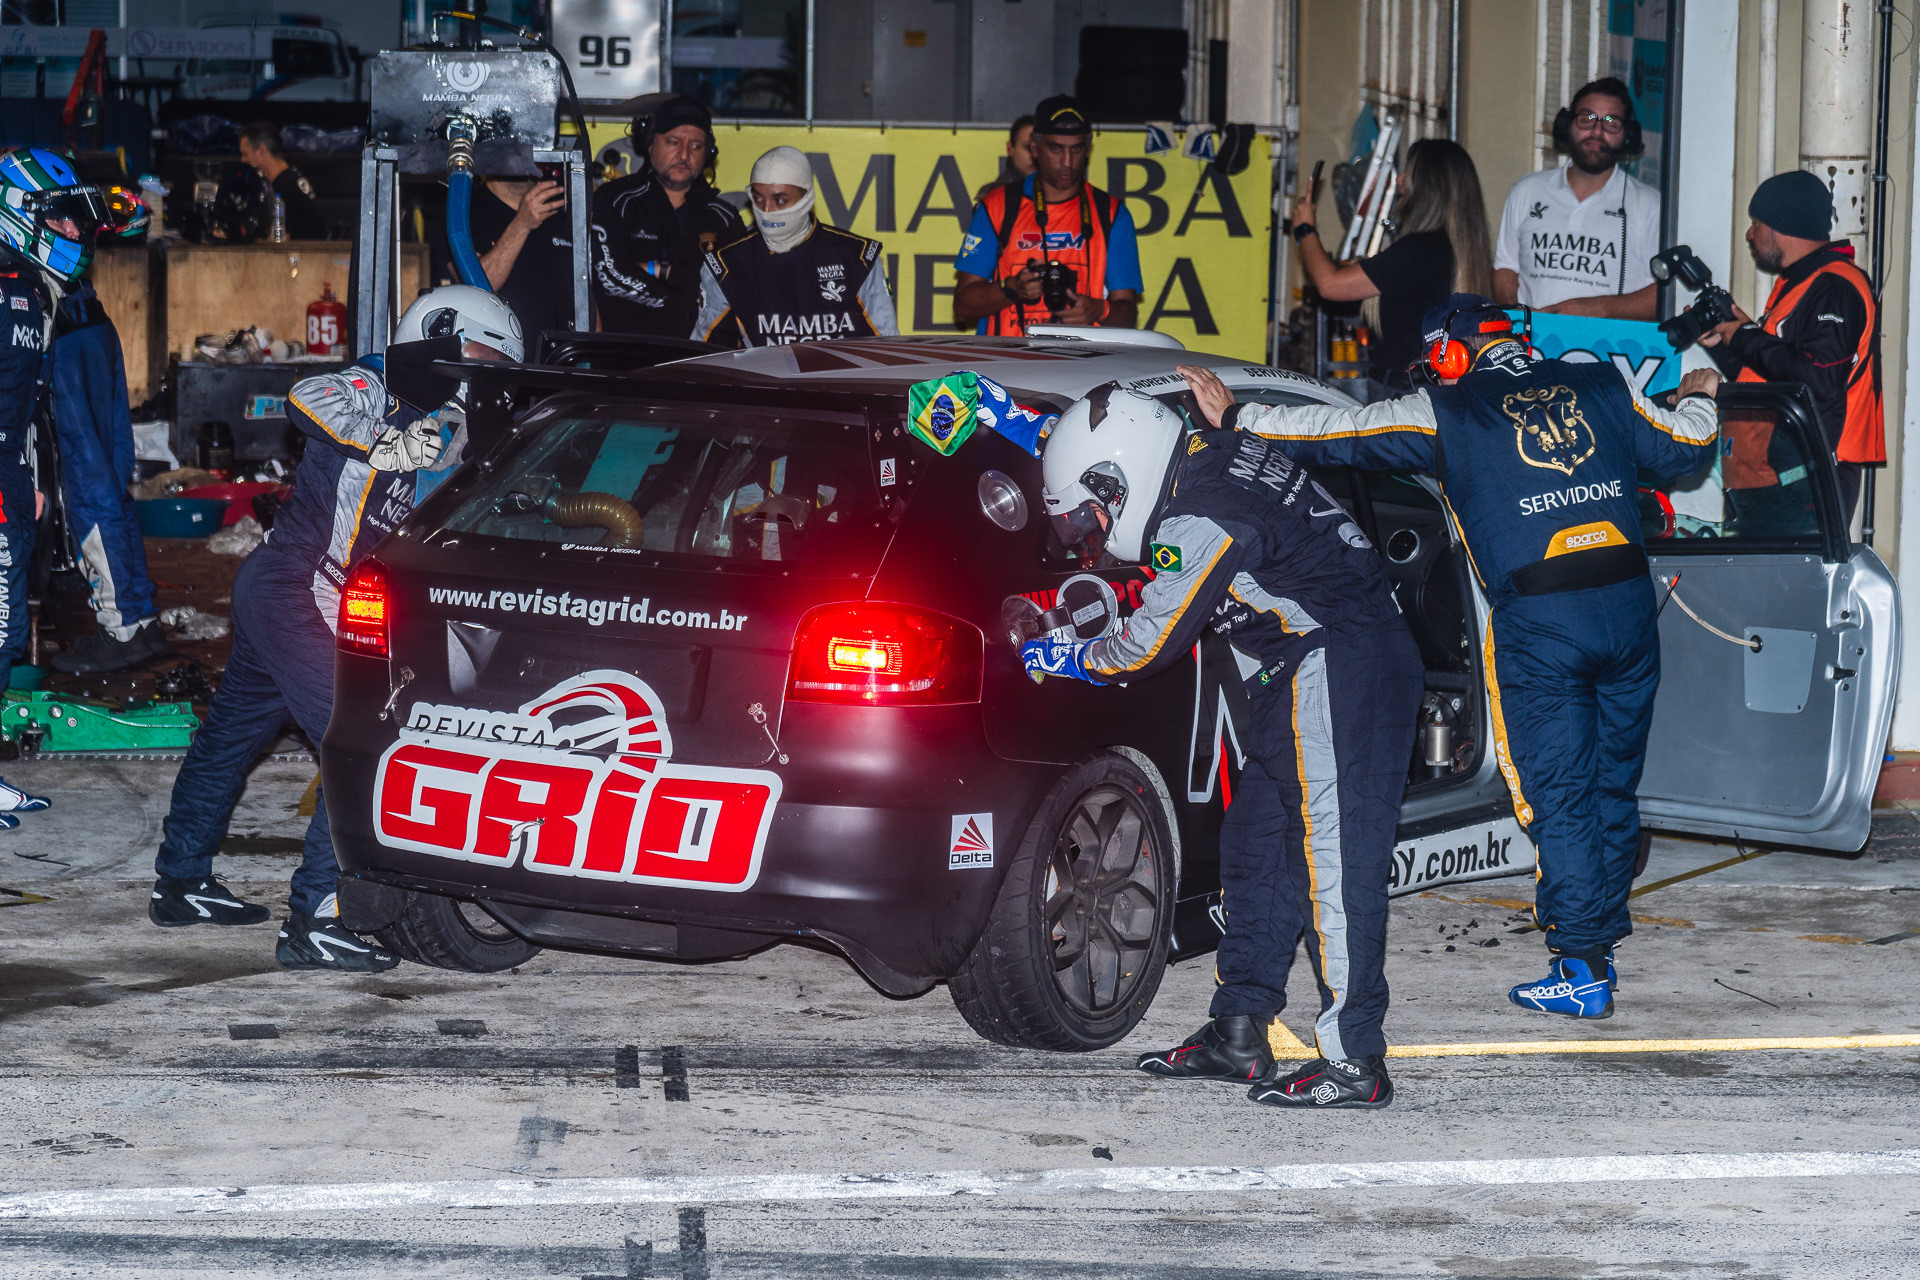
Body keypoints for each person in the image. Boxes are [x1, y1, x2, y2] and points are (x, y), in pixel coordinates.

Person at [1179, 295, 1722, 1020]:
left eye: (1435, 361)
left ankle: (1583, 967)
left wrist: (1238, 418)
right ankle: (1600, 946)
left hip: (1543, 621)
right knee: (1610, 785)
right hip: (1627, 610)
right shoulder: (1603, 385)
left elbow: (1339, 431)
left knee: (1556, 794)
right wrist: (1701, 388)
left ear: (1450, 354)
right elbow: (1687, 444)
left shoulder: (1451, 409)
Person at [1021, 384, 1423, 1109]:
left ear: (1121, 477)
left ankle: (1354, 1058)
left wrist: (1065, 656)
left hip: (1338, 663)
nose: (1097, 532)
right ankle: (1240, 1032)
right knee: (1257, 848)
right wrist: (998, 415)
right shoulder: (1199, 455)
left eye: (1095, 513)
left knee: (1333, 857)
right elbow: (1092, 451)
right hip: (1310, 664)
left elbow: (1147, 645)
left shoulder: (1200, 514)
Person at [147, 286, 522, 971]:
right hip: (299, 587)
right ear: (441, 336)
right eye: (483, 356)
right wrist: (390, 441)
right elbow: (307, 398)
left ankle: (181, 881)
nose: (487, 375)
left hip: (289, 591)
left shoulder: (454, 425)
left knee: (232, 735)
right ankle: (319, 915)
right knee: (364, 743)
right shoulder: (374, 381)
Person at [0, 146, 105, 826]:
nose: (73, 234)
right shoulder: (7, 287)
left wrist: (25, 474)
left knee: (5, 631)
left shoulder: (31, 288)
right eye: (61, 222)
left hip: (8, 475)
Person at [1698, 169, 1883, 520]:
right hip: (1767, 481)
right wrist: (1724, 342)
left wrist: (1746, 335)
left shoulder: (1835, 286)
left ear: (1780, 224)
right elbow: (1772, 380)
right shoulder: (1798, 283)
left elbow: (1818, 378)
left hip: (1803, 482)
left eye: (1756, 223)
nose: (1750, 234)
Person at [46, 204, 166, 674]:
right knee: (111, 488)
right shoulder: (67, 190)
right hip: (94, 327)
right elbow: (132, 215)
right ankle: (140, 619)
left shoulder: (19, 198)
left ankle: (122, 628)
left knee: (91, 489)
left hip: (64, 335)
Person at [1291, 137, 1492, 403]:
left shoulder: (1418, 250)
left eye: (1408, 173)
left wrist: (1305, 230)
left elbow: (1330, 285)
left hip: (1402, 392)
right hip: (1432, 389)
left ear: (1427, 187)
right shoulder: (1453, 248)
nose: (1399, 180)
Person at [954, 95, 1143, 335]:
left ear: (1088, 148)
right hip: (1008, 364)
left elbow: (1128, 316)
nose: (1067, 162)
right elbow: (962, 305)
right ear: (1034, 147)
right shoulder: (997, 206)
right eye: (1056, 149)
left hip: (1084, 365)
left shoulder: (1111, 213)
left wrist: (1099, 310)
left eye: (1076, 149)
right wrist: (1010, 288)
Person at [692, 146, 897, 347]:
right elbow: (704, 356)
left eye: (780, 200)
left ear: (806, 197)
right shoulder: (726, 265)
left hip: (842, 379)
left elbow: (888, 348)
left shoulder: (858, 257)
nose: (767, 210)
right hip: (766, 380)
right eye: (758, 198)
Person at [1493, 77, 1659, 319]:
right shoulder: (1527, 191)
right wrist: (1517, 319)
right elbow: (1505, 267)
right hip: (1531, 351)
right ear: (1566, 125)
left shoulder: (1649, 205)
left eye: (1611, 123)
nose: (1597, 132)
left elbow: (1662, 294)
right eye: (1587, 119)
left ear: (1628, 136)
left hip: (1609, 353)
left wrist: (1596, 308)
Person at [591, 94, 741, 337]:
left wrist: (662, 270)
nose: (684, 155)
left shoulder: (724, 217)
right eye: (673, 142)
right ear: (650, 145)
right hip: (625, 360)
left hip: (701, 363)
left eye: (696, 146)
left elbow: (736, 290)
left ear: (708, 153)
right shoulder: (614, 200)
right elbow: (609, 275)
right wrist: (687, 303)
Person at [454, 171, 574, 347]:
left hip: (562, 361)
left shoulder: (559, 210)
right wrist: (521, 224)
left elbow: (583, 289)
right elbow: (476, 286)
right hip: (499, 363)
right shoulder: (465, 208)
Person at [237, 121, 329, 240]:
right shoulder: (291, 178)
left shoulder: (284, 187)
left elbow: (280, 241)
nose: (243, 160)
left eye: (245, 154)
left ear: (261, 151)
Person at [973, 114, 1036, 201]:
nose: (1035, 155)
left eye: (1040, 148)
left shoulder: (1058, 192)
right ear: (1010, 149)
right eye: (1028, 147)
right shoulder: (991, 194)